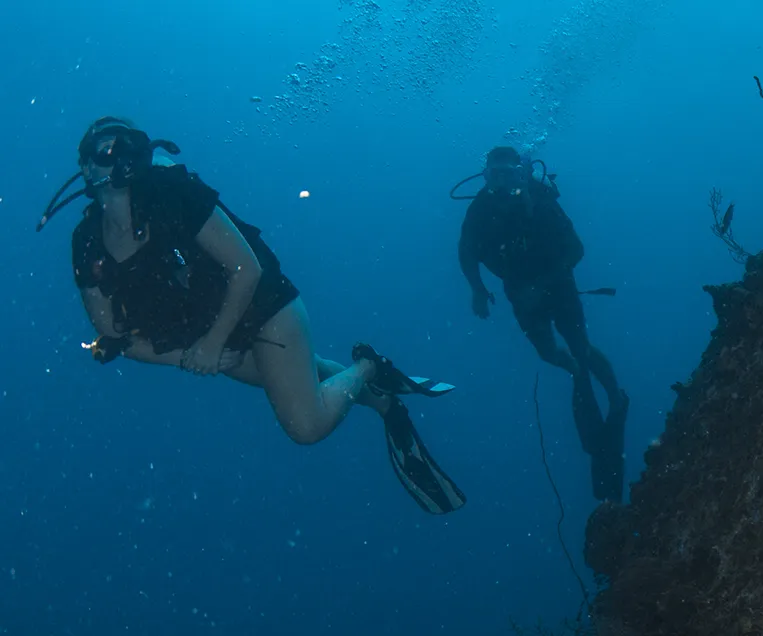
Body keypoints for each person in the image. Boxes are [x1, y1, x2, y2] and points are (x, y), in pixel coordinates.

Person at [39, 117, 466, 514]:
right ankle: (383, 399)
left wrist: (208, 346)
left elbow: (247, 269)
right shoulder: (87, 243)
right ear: (84, 165)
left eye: (125, 147)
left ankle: (368, 366)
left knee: (306, 424)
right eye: (104, 150)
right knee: (305, 375)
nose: (116, 159)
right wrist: (191, 355)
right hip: (212, 338)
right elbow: (112, 334)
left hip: (263, 307)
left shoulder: (174, 195)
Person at [457, 146, 628, 501]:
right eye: (494, 176)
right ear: (485, 176)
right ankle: (577, 371)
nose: (501, 184)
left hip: (558, 286)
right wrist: (477, 290)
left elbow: (576, 249)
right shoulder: (480, 210)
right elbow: (466, 251)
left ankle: (616, 396)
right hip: (521, 296)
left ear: (519, 174)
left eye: (507, 175)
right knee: (549, 353)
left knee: (580, 345)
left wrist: (543, 285)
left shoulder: (540, 201)